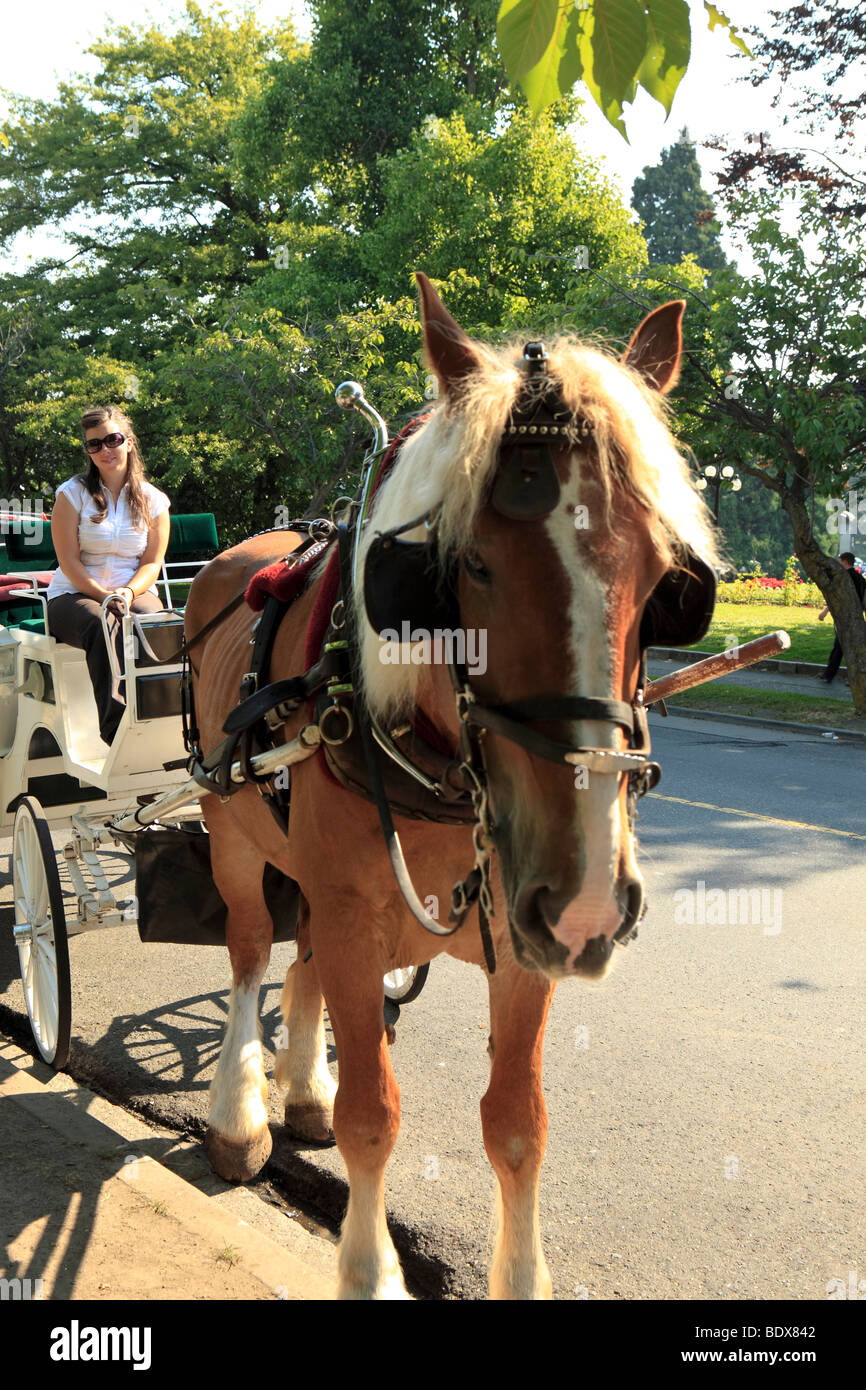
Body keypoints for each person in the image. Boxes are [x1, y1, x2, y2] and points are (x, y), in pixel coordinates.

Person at [47, 406, 170, 744]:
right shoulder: (71, 495)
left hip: (132, 591)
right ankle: (117, 732)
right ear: (88, 451)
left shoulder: (154, 501)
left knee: (153, 620)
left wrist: (127, 594)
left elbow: (151, 563)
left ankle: (163, 719)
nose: (105, 450)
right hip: (73, 595)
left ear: (128, 442)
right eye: (94, 444)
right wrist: (105, 597)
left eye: (112, 440)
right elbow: (69, 561)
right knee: (100, 621)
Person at [817, 552, 866, 684]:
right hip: (856, 617)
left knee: (842, 647)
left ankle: (838, 676)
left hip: (845, 617)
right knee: (844, 647)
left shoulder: (844, 578)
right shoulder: (860, 578)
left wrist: (825, 612)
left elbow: (837, 598)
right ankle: (831, 674)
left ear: (844, 561)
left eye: (840, 561)